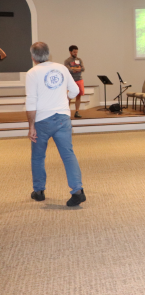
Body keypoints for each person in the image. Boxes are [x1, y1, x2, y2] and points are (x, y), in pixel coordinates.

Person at [26, 42, 86, 207]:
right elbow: (74, 91)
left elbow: (31, 102)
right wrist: (62, 98)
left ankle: (39, 191)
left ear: (33, 56)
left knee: (38, 157)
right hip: (62, 118)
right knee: (68, 155)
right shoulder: (62, 68)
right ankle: (77, 190)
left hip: (42, 121)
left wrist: (31, 126)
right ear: (48, 54)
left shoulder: (32, 73)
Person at [64, 45, 85, 118]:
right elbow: (68, 70)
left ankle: (77, 111)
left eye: (76, 52)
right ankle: (67, 111)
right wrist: (77, 68)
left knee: (79, 96)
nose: (75, 53)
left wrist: (74, 68)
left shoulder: (79, 60)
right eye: (74, 52)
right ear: (70, 52)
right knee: (69, 96)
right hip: (71, 81)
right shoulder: (67, 61)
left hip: (79, 79)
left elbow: (83, 69)